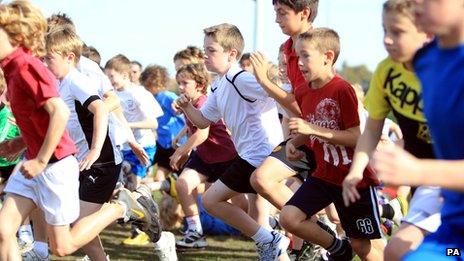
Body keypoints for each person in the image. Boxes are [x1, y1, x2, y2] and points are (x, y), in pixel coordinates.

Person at [0, 1, 159, 259]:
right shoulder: (13, 68)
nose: (46, 56)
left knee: (64, 245)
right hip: (40, 160)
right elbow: (39, 120)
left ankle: (122, 207)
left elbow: (74, 111)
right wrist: (19, 143)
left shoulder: (41, 69)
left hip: (61, 164)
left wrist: (46, 159)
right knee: (4, 230)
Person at [174, 23, 288, 260]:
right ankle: (276, 245)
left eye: (212, 50)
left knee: (211, 200)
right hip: (249, 156)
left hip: (264, 155)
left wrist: (271, 75)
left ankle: (283, 237)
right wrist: (186, 108)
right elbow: (204, 120)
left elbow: (278, 93)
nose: (205, 54)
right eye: (204, 49)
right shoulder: (218, 85)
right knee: (261, 210)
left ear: (231, 54)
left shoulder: (241, 79)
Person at [342, 1, 437, 260]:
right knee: (395, 251)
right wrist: (356, 170)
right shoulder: (386, 71)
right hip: (428, 182)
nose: (387, 39)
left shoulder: (447, 70)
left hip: (451, 175)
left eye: (398, 32)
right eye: (384, 30)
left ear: (426, 30)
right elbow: (371, 130)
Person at [279, 28, 385, 261]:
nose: (299, 64)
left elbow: (356, 136)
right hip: (323, 175)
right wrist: (294, 142)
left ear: (327, 57)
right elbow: (312, 126)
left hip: (353, 179)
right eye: (297, 57)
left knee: (362, 244)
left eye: (305, 56)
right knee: (288, 217)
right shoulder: (302, 91)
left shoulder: (342, 89)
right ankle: (338, 248)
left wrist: (312, 130)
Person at [373, 0, 464, 259]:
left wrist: (419, 170)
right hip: (454, 234)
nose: (416, 3)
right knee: (399, 253)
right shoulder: (426, 62)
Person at [44, 27, 125, 261]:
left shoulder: (76, 81)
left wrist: (95, 150)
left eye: (50, 58)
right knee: (80, 227)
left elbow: (101, 107)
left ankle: (124, 208)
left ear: (69, 57)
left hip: (102, 163)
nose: (46, 63)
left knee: (75, 227)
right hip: (80, 162)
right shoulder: (60, 83)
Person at [171, 63, 238, 248]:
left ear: (199, 85)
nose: (181, 87)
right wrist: (181, 134)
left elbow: (202, 132)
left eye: (185, 83)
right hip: (205, 156)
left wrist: (180, 151)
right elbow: (193, 124)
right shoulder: (188, 102)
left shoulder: (205, 102)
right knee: (183, 183)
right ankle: (195, 232)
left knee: (244, 206)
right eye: (179, 83)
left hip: (227, 157)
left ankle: (271, 226)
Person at [105, 54, 163, 191]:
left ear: (125, 75)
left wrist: (127, 126)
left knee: (133, 185)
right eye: (106, 77)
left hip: (143, 146)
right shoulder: (112, 94)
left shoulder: (138, 93)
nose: (108, 80)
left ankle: (144, 206)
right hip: (123, 148)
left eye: (111, 76)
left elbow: (153, 123)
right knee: (119, 186)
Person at [140, 65, 185, 183]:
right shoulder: (149, 98)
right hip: (162, 142)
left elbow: (183, 114)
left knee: (182, 176)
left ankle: (178, 191)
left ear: (158, 83)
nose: (146, 88)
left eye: (149, 85)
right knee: (159, 176)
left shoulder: (167, 96)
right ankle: (170, 191)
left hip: (175, 142)